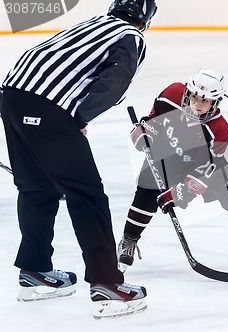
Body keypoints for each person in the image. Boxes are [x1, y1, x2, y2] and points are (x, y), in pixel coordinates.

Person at [1, 0, 157, 318]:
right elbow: (114, 85)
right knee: (87, 195)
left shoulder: (92, 23)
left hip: (12, 96)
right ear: (146, 18)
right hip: (48, 107)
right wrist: (78, 118)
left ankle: (35, 272)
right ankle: (107, 284)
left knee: (37, 188)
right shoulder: (131, 35)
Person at [117, 68, 228, 272]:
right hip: (165, 154)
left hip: (201, 165)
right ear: (187, 91)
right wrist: (143, 133)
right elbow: (153, 119)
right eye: (194, 97)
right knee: (146, 193)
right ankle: (129, 240)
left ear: (216, 102)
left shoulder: (220, 130)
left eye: (204, 101)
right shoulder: (171, 94)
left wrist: (181, 193)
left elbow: (209, 168)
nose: (197, 104)